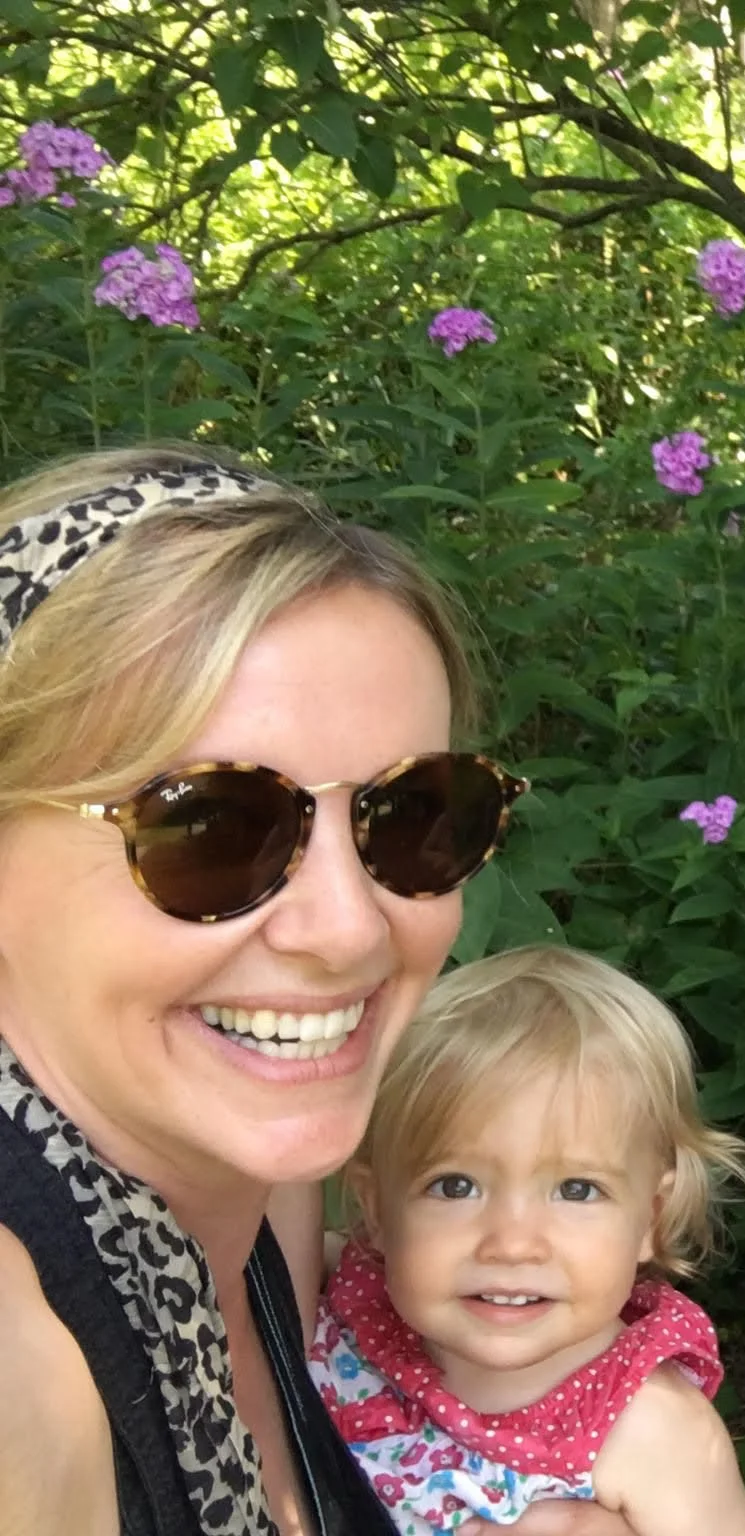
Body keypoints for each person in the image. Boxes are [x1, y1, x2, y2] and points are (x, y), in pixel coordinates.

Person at [0, 446, 619, 1535]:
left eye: (416, 815)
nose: (347, 928)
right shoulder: (22, 1373)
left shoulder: (266, 1195)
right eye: (211, 827)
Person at [311, 944, 745, 1536]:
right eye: (455, 1186)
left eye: (577, 1190)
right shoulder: (346, 1302)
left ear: (652, 1217)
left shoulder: (652, 1432)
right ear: (375, 1210)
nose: (512, 1244)